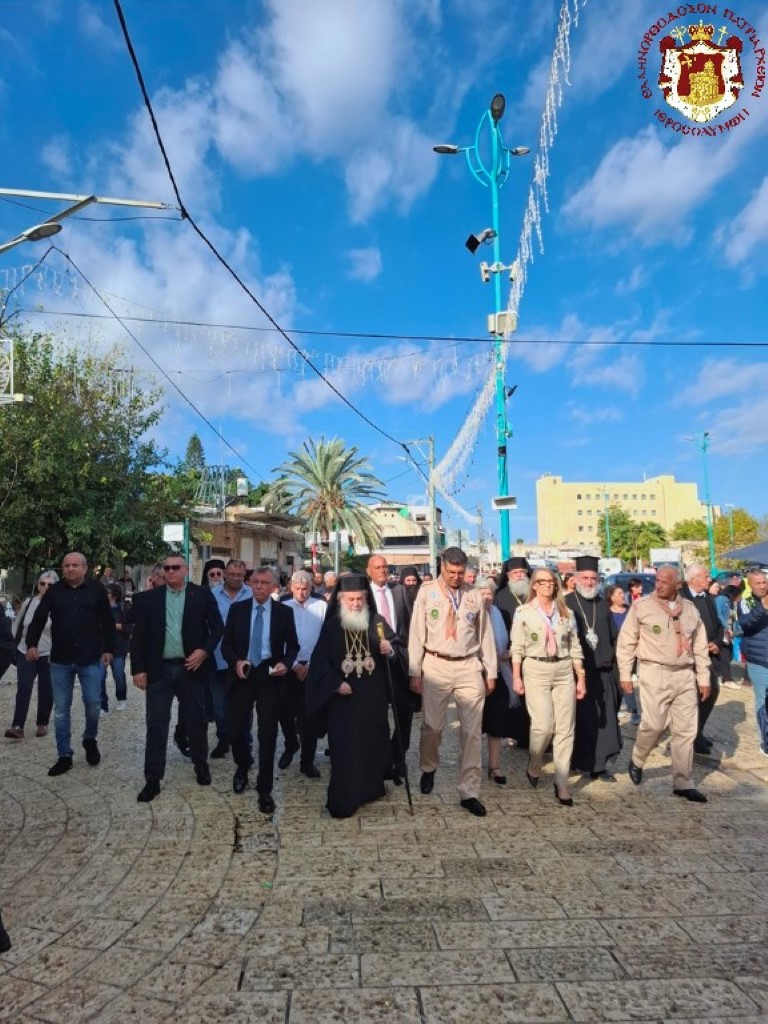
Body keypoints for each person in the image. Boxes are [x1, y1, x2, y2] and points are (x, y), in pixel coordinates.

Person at [408, 547, 497, 817]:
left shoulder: (474, 595)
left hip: (468, 664)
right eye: (451, 572)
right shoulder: (427, 593)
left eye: (460, 573)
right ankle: (428, 767)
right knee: (433, 726)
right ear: (442, 567)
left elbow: (485, 634)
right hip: (436, 663)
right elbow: (416, 633)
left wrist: (490, 670)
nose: (456, 577)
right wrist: (415, 671)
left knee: (471, 732)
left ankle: (469, 791)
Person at [306, 574, 402, 818]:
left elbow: (396, 648)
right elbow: (319, 662)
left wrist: (389, 650)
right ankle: (344, 798)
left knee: (371, 743)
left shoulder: (377, 622)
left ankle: (371, 789)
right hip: (344, 700)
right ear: (340, 599)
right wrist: (335, 683)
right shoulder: (331, 626)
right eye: (351, 599)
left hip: (372, 698)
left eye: (360, 599)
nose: (356, 604)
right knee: (345, 748)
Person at [130, 555, 224, 802]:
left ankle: (200, 764)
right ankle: (153, 778)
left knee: (196, 720)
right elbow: (138, 637)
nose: (170, 571)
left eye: (175, 567)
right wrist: (138, 669)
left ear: (185, 570)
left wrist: (204, 651)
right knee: (156, 724)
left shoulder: (201, 595)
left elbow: (217, 628)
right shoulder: (149, 599)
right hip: (159, 670)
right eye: (167, 568)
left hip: (190, 668)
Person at [617, 566, 710, 801]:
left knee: (686, 730)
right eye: (657, 580)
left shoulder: (690, 609)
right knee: (654, 725)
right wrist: (625, 674)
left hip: (684, 674)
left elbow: (700, 645)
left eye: (665, 582)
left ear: (678, 585)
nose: (659, 585)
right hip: (654, 671)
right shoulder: (642, 607)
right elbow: (627, 642)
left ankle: (683, 782)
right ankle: (638, 758)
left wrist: (703, 677)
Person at [26, 552, 116, 777]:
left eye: (75, 565)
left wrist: (109, 649)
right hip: (61, 660)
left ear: (85, 568)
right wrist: (31, 644)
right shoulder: (54, 592)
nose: (70, 568)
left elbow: (107, 620)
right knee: (61, 711)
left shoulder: (96, 590)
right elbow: (39, 618)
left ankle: (89, 738)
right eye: (66, 565)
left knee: (93, 703)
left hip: (90, 657)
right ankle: (64, 755)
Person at [221, 566, 299, 814]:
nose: (258, 587)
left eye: (264, 583)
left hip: (270, 676)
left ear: (274, 586)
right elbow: (226, 645)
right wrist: (236, 662)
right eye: (255, 582)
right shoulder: (238, 610)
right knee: (235, 730)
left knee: (268, 734)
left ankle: (265, 789)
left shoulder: (284, 613)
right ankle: (242, 766)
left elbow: (293, 646)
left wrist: (285, 664)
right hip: (243, 674)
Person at [511, 567, 585, 806]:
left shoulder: (566, 612)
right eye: (542, 581)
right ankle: (535, 762)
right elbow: (517, 647)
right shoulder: (523, 612)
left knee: (565, 728)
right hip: (536, 667)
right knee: (543, 726)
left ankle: (561, 782)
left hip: (563, 668)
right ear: (534, 585)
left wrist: (580, 677)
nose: (548, 585)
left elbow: (575, 646)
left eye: (551, 581)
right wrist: (516, 677)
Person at [565, 556, 622, 781]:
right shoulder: (566, 603)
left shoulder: (603, 605)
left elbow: (613, 637)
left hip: (603, 671)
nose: (589, 582)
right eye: (585, 578)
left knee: (604, 720)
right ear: (576, 578)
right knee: (581, 721)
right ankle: (578, 762)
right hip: (577, 673)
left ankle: (599, 765)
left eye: (593, 579)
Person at [366, 554, 414, 779]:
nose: (382, 570)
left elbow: (409, 623)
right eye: (377, 567)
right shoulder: (364, 595)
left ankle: (399, 756)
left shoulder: (400, 591)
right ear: (369, 571)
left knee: (404, 712)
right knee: (377, 715)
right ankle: (383, 760)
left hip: (399, 658)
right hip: (373, 663)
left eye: (385, 567)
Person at [281, 569, 327, 776]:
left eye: (305, 589)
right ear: (291, 587)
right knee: (284, 712)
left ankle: (307, 761)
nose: (301, 592)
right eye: (297, 588)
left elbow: (325, 638)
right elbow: (278, 639)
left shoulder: (321, 606)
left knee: (309, 716)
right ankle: (291, 743)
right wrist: (292, 664)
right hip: (288, 667)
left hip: (312, 668)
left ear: (311, 588)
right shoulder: (282, 606)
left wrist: (310, 664)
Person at [4, 571, 58, 740]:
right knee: (24, 688)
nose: (45, 587)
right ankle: (17, 725)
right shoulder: (29, 603)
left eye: (50, 584)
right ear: (38, 585)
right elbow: (17, 623)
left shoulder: (58, 606)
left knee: (46, 689)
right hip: (25, 651)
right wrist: (14, 642)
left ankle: (42, 723)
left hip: (48, 653)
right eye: (43, 583)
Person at [209, 559, 251, 759]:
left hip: (244, 660)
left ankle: (245, 741)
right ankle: (223, 738)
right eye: (232, 574)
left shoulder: (251, 594)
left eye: (239, 575)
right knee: (219, 706)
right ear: (225, 573)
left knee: (245, 704)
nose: (235, 578)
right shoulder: (211, 595)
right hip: (217, 657)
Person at [476, 576, 516, 784]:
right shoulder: (469, 615)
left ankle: (495, 766)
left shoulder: (502, 615)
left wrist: (508, 652)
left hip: (499, 673)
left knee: (497, 721)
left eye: (489, 593)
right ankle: (471, 765)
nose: (486, 597)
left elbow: (511, 640)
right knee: (474, 724)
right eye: (482, 593)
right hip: (475, 675)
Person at [681, 564, 723, 755]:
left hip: (708, 655)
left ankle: (698, 731)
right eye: (706, 576)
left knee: (711, 691)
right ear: (694, 578)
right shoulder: (681, 597)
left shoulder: (707, 597)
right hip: (689, 657)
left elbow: (718, 625)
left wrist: (717, 643)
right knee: (694, 698)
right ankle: (691, 737)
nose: (709, 579)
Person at [736, 569, 768, 755]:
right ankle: (765, 741)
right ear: (750, 584)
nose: (763, 586)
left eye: (764, 582)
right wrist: (762, 607)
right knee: (763, 702)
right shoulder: (745, 602)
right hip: (760, 660)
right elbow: (745, 623)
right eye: (758, 583)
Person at [100, 584, 131, 713]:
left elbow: (130, 627)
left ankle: (121, 698)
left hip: (119, 648)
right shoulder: (99, 608)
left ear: (114, 595)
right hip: (101, 648)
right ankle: (102, 705)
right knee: (100, 677)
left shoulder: (124, 608)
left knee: (118, 675)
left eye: (107, 592)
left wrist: (114, 625)